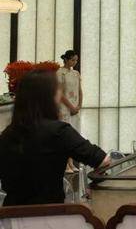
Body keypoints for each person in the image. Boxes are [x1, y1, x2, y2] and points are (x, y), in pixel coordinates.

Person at [0, 70, 110, 205]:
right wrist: (93, 186)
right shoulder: (59, 131)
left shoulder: (6, 134)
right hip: (50, 213)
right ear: (48, 97)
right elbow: (103, 160)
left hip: (10, 213)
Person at [57, 50, 83, 172]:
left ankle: (71, 163)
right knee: (65, 136)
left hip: (75, 106)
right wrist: (71, 107)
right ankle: (65, 164)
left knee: (73, 135)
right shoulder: (60, 73)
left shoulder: (76, 73)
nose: (75, 62)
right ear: (66, 60)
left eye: (76, 60)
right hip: (64, 108)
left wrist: (79, 105)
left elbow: (80, 90)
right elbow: (60, 93)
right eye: (72, 60)